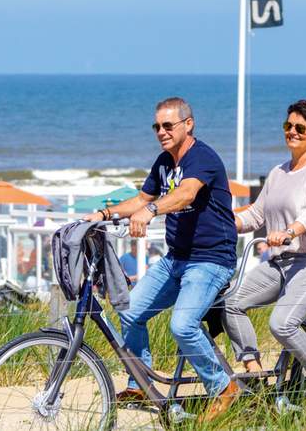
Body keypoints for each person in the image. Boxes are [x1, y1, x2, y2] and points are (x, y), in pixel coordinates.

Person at [83, 97, 238, 421]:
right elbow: (142, 197)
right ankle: (139, 382)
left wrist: (150, 211)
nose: (161, 132)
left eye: (168, 125)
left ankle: (223, 388)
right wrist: (103, 213)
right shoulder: (164, 161)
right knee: (129, 309)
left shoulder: (203, 158)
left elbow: (186, 193)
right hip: (176, 259)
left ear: (188, 124)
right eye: (157, 126)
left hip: (211, 260)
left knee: (182, 325)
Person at [223, 100, 306, 388]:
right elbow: (256, 214)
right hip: (280, 262)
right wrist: (222, 223)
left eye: (300, 128)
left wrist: (290, 231)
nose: (292, 132)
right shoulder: (279, 172)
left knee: (282, 323)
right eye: (287, 126)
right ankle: (254, 374)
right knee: (230, 302)